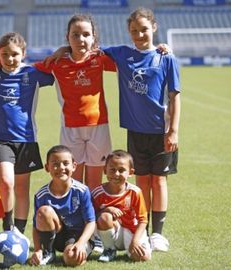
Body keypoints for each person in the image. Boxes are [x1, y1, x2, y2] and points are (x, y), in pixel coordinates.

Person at [102, 7, 181, 252]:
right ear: (128, 31)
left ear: (154, 28)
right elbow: (89, 51)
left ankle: (158, 234)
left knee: (159, 182)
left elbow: (174, 96)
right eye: (134, 30)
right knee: (141, 183)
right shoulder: (122, 54)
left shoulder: (166, 58)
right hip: (135, 131)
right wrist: (64, 50)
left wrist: (174, 131)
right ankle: (142, 231)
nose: (139, 34)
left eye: (144, 29)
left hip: (161, 131)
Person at [0, 32, 54, 234]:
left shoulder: (32, 74)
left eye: (14, 54)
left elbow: (58, 71)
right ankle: (7, 226)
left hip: (26, 138)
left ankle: (18, 234)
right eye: (4, 54)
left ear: (23, 53)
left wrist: (60, 52)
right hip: (1, 139)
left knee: (22, 188)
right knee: (6, 182)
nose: (9, 59)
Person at [34, 13, 116, 191]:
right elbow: (21, 69)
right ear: (67, 37)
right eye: (75, 35)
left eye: (86, 34)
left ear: (93, 37)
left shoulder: (99, 58)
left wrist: (161, 50)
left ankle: (93, 218)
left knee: (94, 184)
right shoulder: (57, 62)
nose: (81, 39)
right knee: (74, 182)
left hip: (99, 126)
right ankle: (76, 218)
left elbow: (132, 61)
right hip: (70, 128)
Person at [31, 145, 96, 267]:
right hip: (57, 236)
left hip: (78, 236)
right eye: (55, 164)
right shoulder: (41, 195)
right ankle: (48, 252)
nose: (61, 168)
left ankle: (79, 250)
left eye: (66, 163)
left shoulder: (81, 191)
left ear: (74, 166)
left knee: (72, 259)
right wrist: (37, 249)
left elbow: (91, 222)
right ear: (47, 167)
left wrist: (81, 243)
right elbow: (36, 226)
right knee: (44, 211)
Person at [92, 150, 151, 262]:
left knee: (143, 257)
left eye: (121, 170)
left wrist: (135, 241)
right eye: (112, 170)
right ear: (105, 170)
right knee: (104, 217)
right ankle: (109, 249)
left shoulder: (135, 192)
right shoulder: (97, 193)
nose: (116, 174)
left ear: (131, 172)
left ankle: (145, 242)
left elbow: (143, 220)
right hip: (113, 232)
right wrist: (106, 209)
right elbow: (91, 217)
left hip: (132, 231)